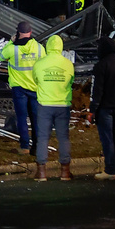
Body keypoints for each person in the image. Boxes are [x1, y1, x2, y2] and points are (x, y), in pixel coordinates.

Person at [32, 34, 75, 181]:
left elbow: (35, 80)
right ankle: (65, 172)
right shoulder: (68, 64)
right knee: (63, 138)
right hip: (63, 105)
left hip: (44, 105)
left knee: (43, 138)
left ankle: (42, 173)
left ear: (47, 46)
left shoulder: (39, 63)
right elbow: (71, 81)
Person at [0, 21, 45, 155]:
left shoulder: (13, 48)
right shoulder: (39, 47)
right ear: (30, 32)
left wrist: (10, 42)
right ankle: (37, 147)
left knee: (21, 118)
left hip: (19, 88)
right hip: (35, 88)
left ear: (18, 33)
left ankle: (24, 147)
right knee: (36, 119)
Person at [89, 36, 115, 180]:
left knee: (107, 139)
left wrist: (93, 109)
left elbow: (97, 90)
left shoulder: (101, 66)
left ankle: (110, 170)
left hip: (104, 108)